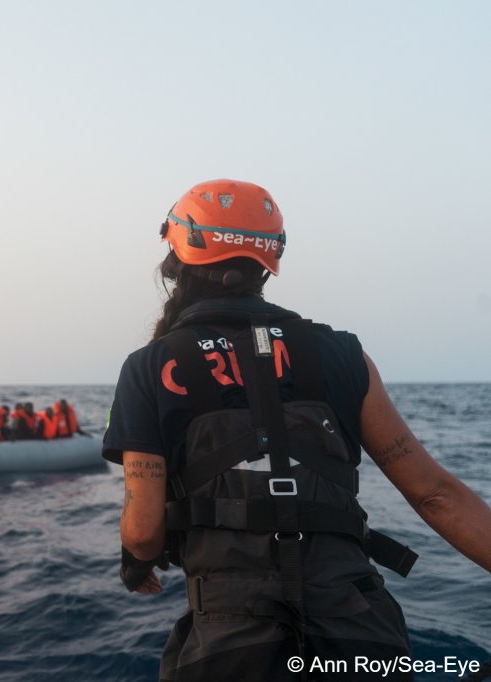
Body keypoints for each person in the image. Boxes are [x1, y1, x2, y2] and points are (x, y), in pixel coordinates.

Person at [103, 179, 491, 681]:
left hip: (231, 638)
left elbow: (142, 528)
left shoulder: (150, 365)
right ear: (270, 258)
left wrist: (137, 563)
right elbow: (436, 495)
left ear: (178, 254)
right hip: (360, 626)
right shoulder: (344, 354)